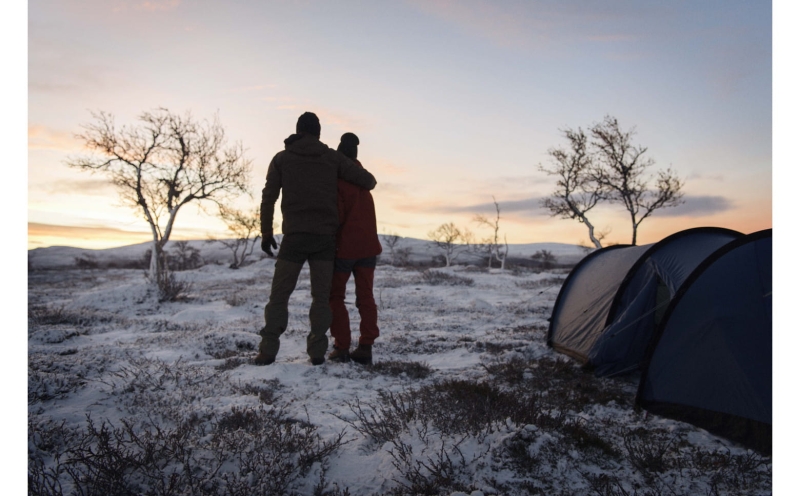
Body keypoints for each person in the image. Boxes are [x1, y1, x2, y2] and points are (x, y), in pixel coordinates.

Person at [255, 112, 377, 366]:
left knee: (279, 296)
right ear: (319, 132)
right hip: (325, 240)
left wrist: (266, 232)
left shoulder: (281, 159)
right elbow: (369, 181)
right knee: (321, 298)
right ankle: (317, 353)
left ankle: (267, 352)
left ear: (298, 131)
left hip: (294, 238)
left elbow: (269, 198)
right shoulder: (332, 158)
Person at [327, 133, 382, 365]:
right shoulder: (364, 183)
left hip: (345, 250)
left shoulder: (338, 182)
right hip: (368, 249)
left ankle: (342, 347)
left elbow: (336, 217)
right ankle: (366, 346)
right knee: (365, 297)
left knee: (335, 296)